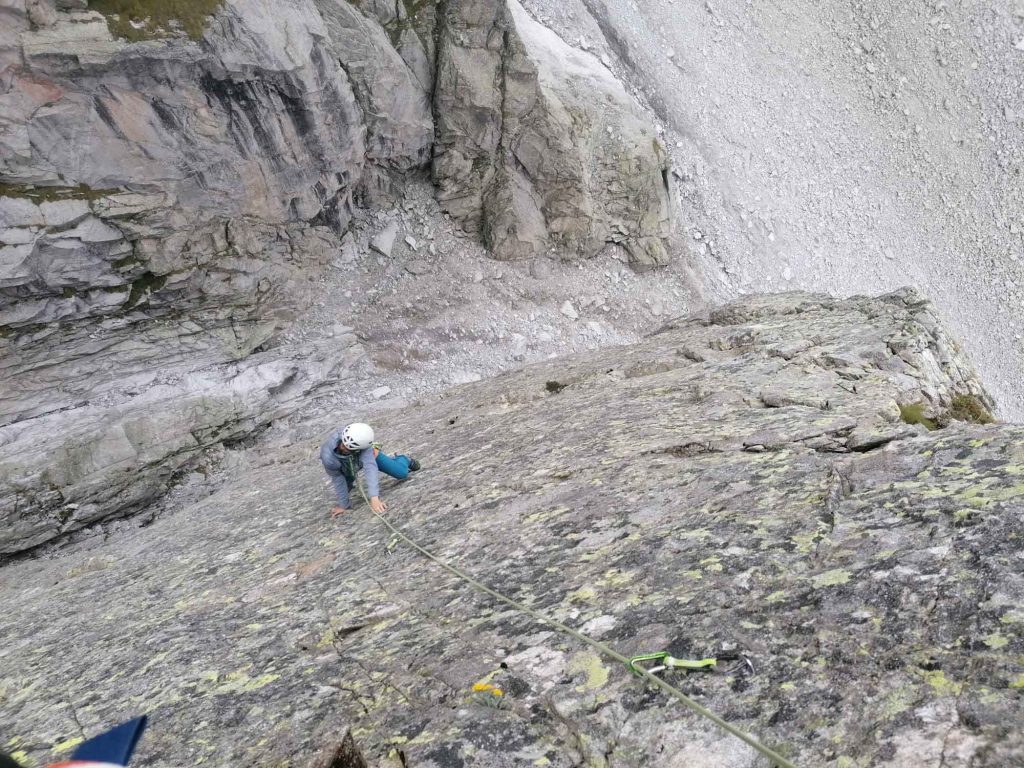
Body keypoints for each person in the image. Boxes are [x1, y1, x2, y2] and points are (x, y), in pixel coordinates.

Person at [320, 422, 420, 517]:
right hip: (344, 466)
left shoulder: (361, 441)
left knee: (402, 473)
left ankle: (404, 459)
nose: (343, 447)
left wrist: (374, 498)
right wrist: (344, 506)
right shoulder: (328, 458)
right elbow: (338, 479)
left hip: (368, 456)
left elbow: (370, 468)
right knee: (346, 488)